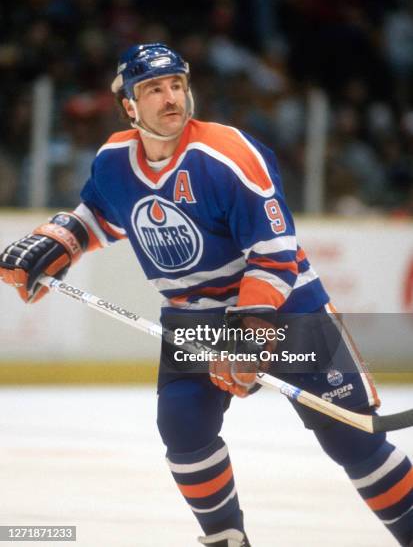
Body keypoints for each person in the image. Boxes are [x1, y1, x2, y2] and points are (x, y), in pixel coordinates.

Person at [1, 43, 412, 547]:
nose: (171, 97)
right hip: (195, 321)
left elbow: (275, 253)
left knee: (353, 439)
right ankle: (227, 541)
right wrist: (60, 238)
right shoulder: (113, 161)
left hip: (288, 310)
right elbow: (101, 215)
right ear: (130, 105)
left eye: (177, 84)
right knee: (183, 431)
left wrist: (246, 335)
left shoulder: (228, 154)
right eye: (154, 89)